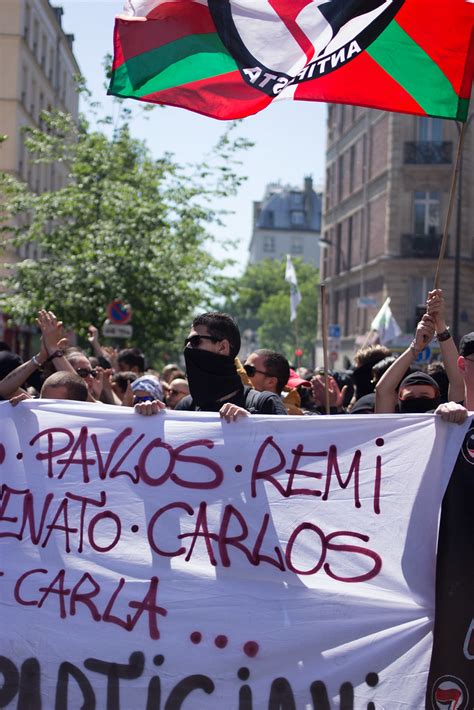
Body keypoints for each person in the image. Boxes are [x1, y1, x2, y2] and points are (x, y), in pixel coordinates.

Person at [136, 312, 287, 420]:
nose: (188, 348)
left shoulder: (265, 404)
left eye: (196, 341)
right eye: (186, 342)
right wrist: (149, 420)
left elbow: (289, 453)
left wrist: (251, 424)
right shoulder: (186, 406)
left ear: (222, 347)